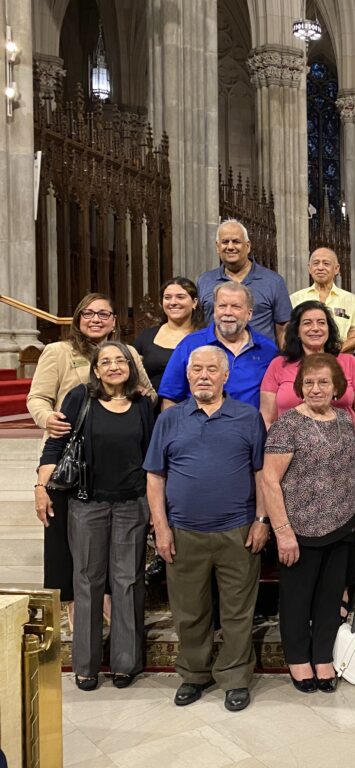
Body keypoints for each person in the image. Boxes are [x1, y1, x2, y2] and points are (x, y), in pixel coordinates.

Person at [145, 345, 269, 713]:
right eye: (196, 368)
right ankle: (195, 674)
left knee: (237, 612)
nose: (203, 375)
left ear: (225, 376)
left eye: (211, 369)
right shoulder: (169, 419)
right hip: (183, 532)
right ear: (187, 374)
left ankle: (234, 678)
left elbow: (261, 474)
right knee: (189, 611)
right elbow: (155, 477)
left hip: (238, 531)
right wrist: (161, 529)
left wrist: (262, 521)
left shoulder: (247, 417)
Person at [35, 341, 154, 691]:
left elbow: (150, 451)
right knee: (87, 580)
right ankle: (85, 665)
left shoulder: (144, 403)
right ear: (96, 369)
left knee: (127, 581)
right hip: (87, 504)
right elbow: (56, 444)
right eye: (107, 361)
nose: (115, 366)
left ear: (131, 367)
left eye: (122, 360)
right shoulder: (78, 398)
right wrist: (41, 486)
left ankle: (125, 662)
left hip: (132, 503)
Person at [28, 293, 153, 611]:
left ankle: (109, 607)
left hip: (112, 463)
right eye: (88, 313)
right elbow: (38, 397)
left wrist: (138, 397)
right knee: (63, 543)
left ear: (114, 321)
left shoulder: (129, 354)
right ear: (77, 318)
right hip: (67, 456)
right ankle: (74, 610)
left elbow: (148, 394)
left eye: (104, 314)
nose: (96, 319)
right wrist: (48, 419)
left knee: (108, 541)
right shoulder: (58, 351)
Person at [261, 353, 355, 695]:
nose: (315, 389)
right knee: (297, 599)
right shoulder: (287, 424)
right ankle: (299, 659)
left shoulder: (346, 420)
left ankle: (322, 656)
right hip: (299, 530)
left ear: (337, 388)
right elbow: (270, 481)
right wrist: (283, 531)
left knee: (330, 598)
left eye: (323, 383)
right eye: (308, 383)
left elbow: (351, 470)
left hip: (341, 526)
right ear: (300, 387)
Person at [259, 301, 355, 454]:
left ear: (329, 329)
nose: (315, 328)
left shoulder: (349, 362)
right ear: (297, 330)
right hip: (289, 456)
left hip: (344, 456)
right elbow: (267, 419)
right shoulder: (278, 365)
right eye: (307, 323)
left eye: (321, 323)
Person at [159, 282, 277, 410]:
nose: (227, 312)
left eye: (236, 307)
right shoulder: (190, 344)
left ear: (249, 314)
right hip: (199, 427)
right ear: (214, 310)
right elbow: (170, 397)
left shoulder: (268, 350)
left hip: (248, 427)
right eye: (222, 306)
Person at [197, 219, 291, 346]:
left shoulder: (273, 281)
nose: (230, 247)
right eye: (225, 242)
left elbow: (283, 328)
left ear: (248, 246)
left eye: (236, 241)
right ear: (217, 247)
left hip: (260, 360)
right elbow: (197, 323)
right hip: (215, 359)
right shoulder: (205, 281)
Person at [131, 277, 204, 396]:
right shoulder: (147, 336)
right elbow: (130, 371)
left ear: (194, 302)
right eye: (167, 297)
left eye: (180, 297)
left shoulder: (205, 338)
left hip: (193, 407)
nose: (173, 302)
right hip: (151, 407)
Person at [289, 248, 355, 353]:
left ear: (336, 269)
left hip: (341, 359)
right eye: (316, 263)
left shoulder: (350, 299)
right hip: (304, 360)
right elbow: (289, 332)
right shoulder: (296, 298)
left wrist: (336, 352)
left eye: (326, 263)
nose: (320, 267)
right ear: (309, 268)